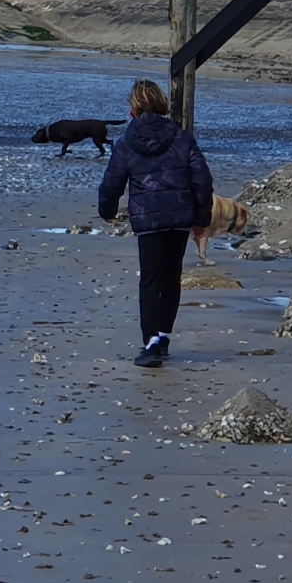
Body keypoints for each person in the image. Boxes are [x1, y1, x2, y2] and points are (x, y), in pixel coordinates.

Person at [95, 78, 213, 368]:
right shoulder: (183, 138)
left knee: (150, 279)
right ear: (161, 104)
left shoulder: (126, 143)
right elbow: (202, 180)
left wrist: (107, 210)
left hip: (148, 219)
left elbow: (112, 182)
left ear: (133, 108)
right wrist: (201, 218)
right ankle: (163, 337)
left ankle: (151, 343)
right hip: (179, 218)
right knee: (171, 278)